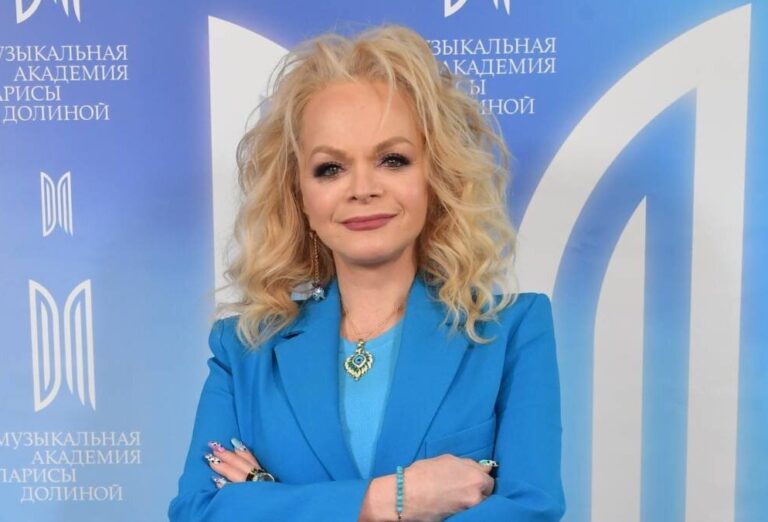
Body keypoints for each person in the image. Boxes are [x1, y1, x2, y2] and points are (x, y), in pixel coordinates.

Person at [169, 24, 564, 521]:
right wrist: (391, 498)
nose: (362, 188)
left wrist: (269, 498)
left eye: (392, 160)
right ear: (300, 194)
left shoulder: (512, 333)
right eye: (330, 168)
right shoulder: (243, 350)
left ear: (435, 175)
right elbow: (199, 513)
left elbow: (529, 511)